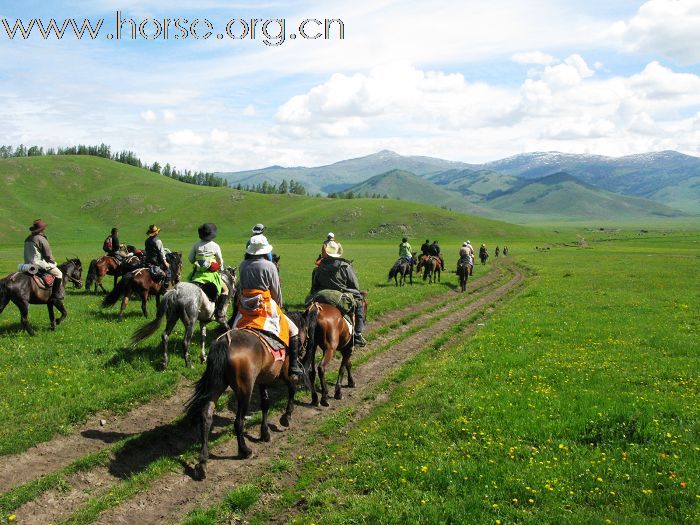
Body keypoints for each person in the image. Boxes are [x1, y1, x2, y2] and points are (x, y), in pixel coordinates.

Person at [231, 234, 304, 379]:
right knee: (294, 330)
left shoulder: (243, 265)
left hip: (245, 306)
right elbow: (275, 291)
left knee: (232, 330)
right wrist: (278, 306)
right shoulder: (270, 266)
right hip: (265, 306)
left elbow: (242, 287)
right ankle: (294, 367)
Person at [310, 241, 367, 346]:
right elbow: (355, 286)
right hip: (340, 296)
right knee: (359, 301)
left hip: (320, 295)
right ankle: (358, 334)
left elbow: (314, 287)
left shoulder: (318, 268)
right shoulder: (345, 266)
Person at [188, 223, 229, 326]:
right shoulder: (215, 246)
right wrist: (219, 267)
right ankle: (219, 313)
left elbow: (191, 259)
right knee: (225, 290)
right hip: (211, 275)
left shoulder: (196, 245)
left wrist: (200, 263)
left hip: (197, 276)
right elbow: (220, 260)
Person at [24, 219, 64, 302]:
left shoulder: (28, 238)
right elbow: (48, 255)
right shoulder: (41, 239)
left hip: (27, 264)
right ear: (42, 229)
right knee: (59, 274)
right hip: (38, 264)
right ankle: (55, 295)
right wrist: (53, 262)